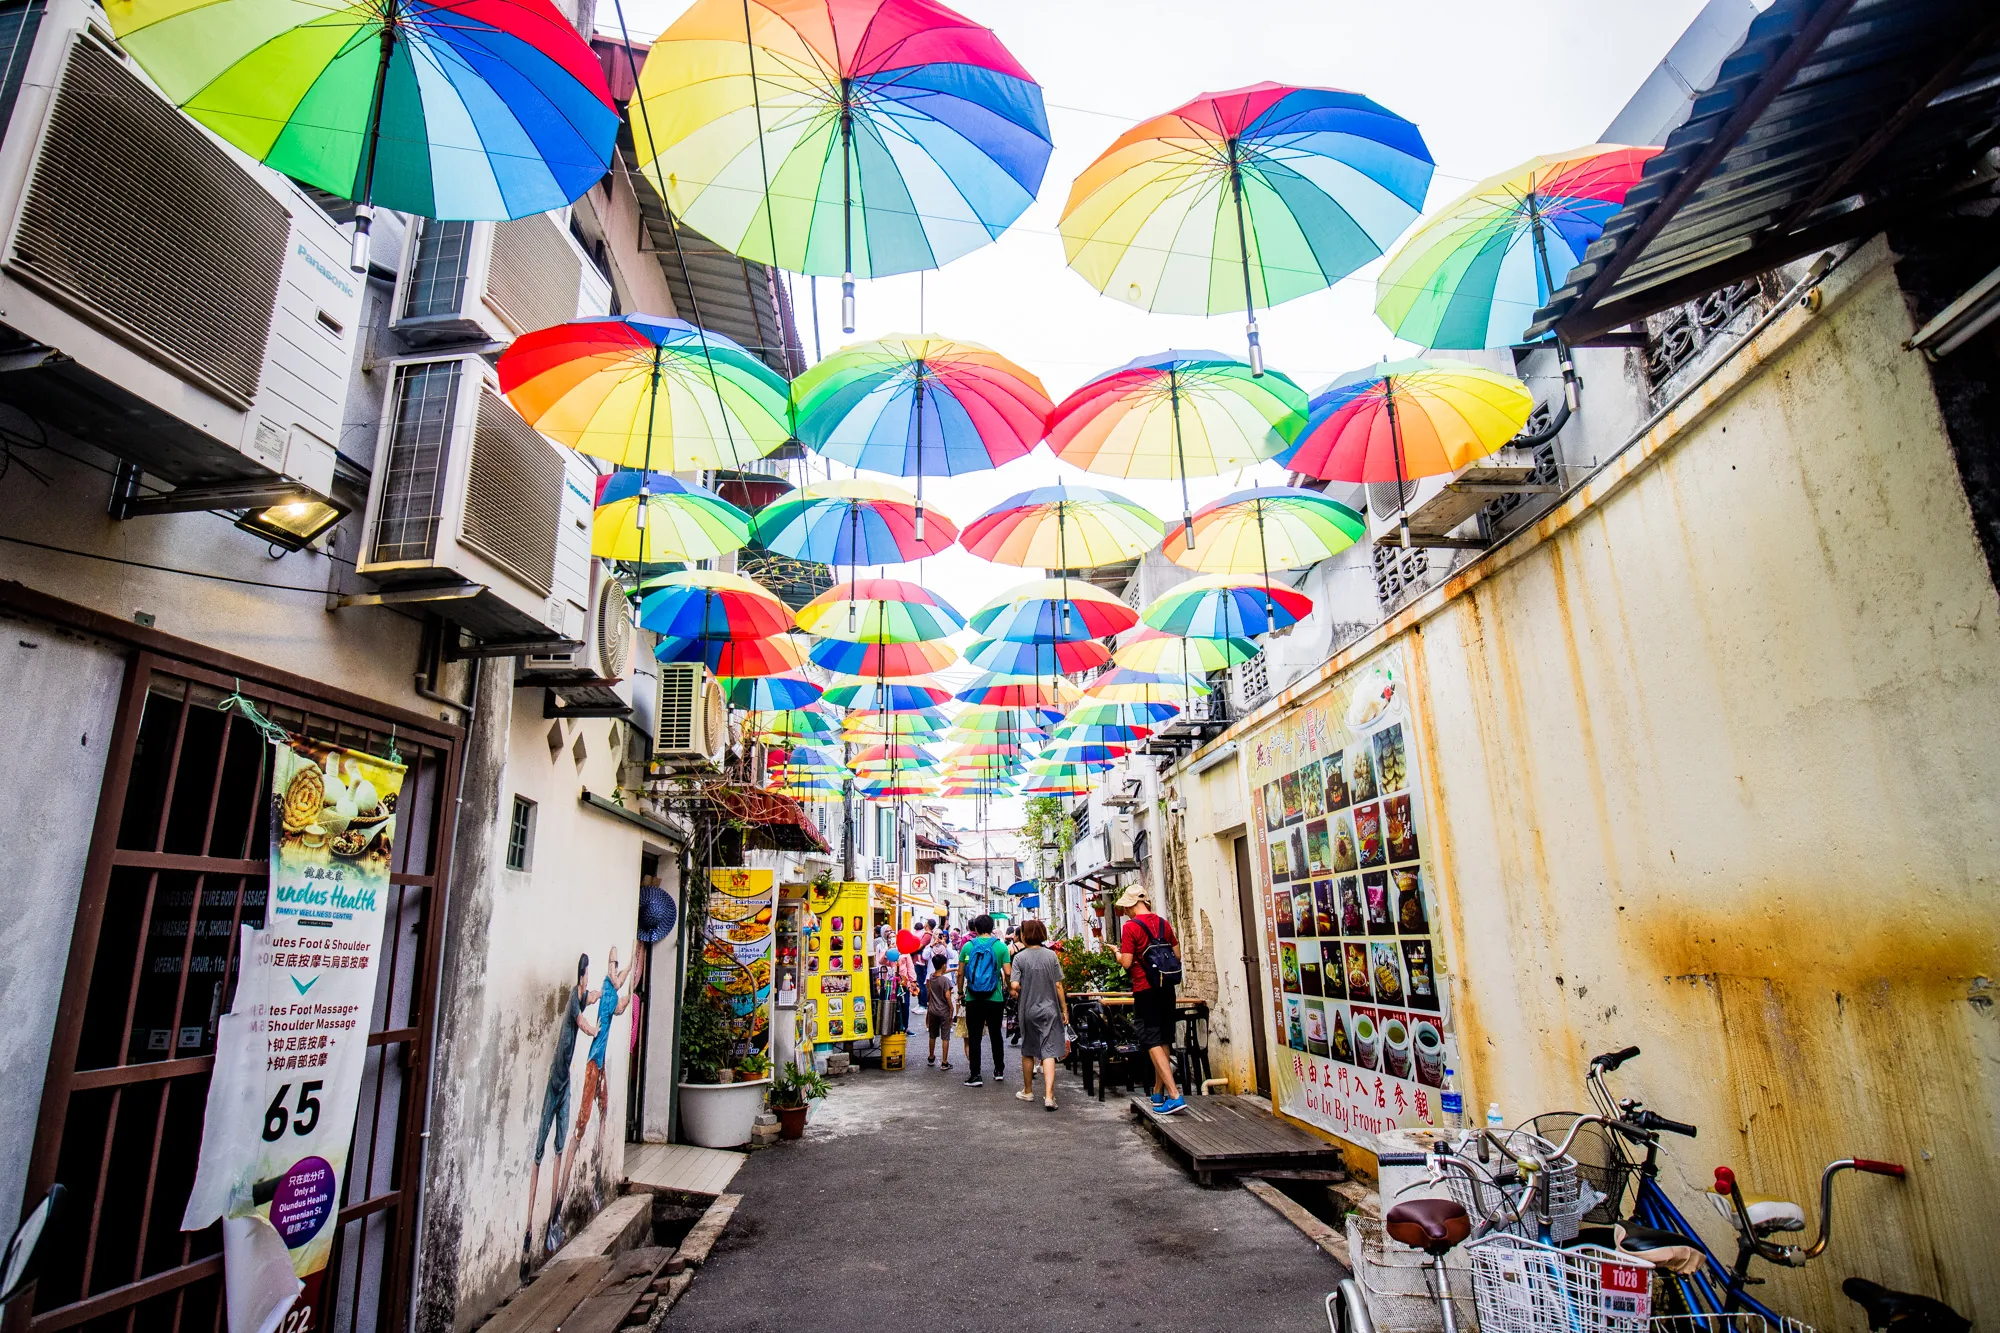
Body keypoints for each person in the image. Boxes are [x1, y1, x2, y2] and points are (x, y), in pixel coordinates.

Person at [523, 955, 592, 1277]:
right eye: (587, 978)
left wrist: (621, 981)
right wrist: (594, 1027)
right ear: (581, 977)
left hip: (564, 1085)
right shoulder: (571, 1001)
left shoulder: (583, 995)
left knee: (559, 1147)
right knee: (539, 1152)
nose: (588, 984)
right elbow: (582, 1021)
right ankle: (527, 1233)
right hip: (555, 1084)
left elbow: (599, 997)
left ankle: (554, 1219)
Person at [559, 942, 638, 1211]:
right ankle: (560, 1201)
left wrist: (629, 969)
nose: (614, 972)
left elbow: (622, 1002)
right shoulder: (607, 991)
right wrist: (592, 1029)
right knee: (582, 1124)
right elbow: (617, 1003)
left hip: (600, 1064)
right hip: (594, 1063)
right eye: (612, 967)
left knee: (603, 1113)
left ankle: (597, 1179)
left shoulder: (610, 992)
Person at [1115, 885, 1187, 1115]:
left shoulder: (1131, 928)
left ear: (1133, 904)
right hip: (1167, 988)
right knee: (1163, 1038)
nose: (1125, 912)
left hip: (1145, 989)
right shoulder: (1164, 924)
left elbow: (1126, 963)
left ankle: (1174, 1095)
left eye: (1126, 907)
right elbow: (1177, 955)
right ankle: (1158, 1093)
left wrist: (1117, 954)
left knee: (1150, 1039)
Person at [1009, 918, 1067, 1111]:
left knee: (1028, 1050)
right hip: (1050, 1009)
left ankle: (1028, 1091)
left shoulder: (1019, 958)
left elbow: (1015, 984)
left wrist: (1016, 988)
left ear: (1025, 936)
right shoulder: (1051, 956)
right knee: (1048, 1052)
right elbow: (1059, 984)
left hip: (1028, 1009)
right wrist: (1064, 1009)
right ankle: (1049, 1096)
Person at [957, 914, 1010, 1087]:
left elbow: (961, 971)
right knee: (996, 1034)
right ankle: (999, 1070)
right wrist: (1008, 987)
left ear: (976, 929)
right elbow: (1008, 972)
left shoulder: (967, 948)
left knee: (974, 1036)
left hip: (973, 996)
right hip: (994, 997)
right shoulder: (1001, 947)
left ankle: (975, 1074)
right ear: (992, 927)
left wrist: (960, 992)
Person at [923, 951, 955, 1069]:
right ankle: (944, 1062)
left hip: (932, 1010)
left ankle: (931, 1057)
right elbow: (947, 996)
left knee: (932, 1035)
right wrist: (951, 1007)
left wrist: (954, 969)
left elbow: (940, 973)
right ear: (944, 965)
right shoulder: (946, 981)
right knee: (945, 1036)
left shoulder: (931, 977)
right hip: (944, 1011)